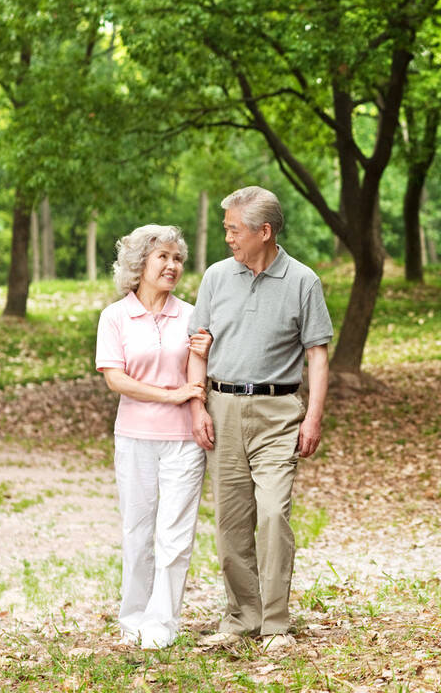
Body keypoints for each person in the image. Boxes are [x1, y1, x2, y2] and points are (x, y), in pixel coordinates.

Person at [186, 186, 332, 651]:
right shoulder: (215, 277)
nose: (227, 237)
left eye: (234, 229)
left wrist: (313, 417)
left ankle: (275, 623)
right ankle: (240, 617)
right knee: (231, 520)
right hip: (222, 408)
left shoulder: (303, 281)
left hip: (278, 412)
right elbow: (198, 345)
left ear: (263, 231)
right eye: (227, 227)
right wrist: (196, 404)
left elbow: (318, 355)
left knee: (272, 514)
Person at [95, 225, 213, 649]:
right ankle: (133, 620)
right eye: (163, 257)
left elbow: (198, 368)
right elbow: (116, 379)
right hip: (134, 438)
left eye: (177, 258)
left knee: (175, 536)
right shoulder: (115, 317)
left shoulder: (192, 314)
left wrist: (193, 400)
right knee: (137, 532)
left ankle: (162, 625)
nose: (172, 266)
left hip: (184, 441)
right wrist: (173, 393)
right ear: (139, 263)